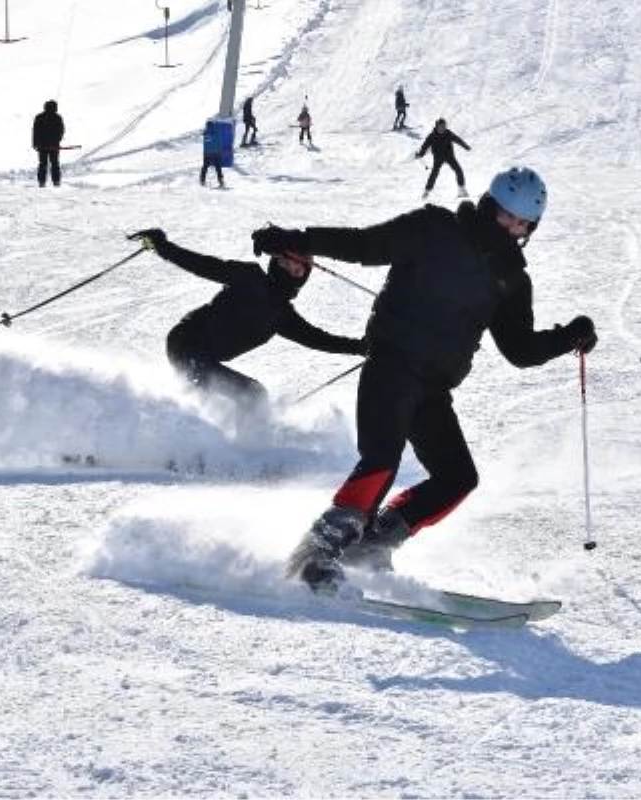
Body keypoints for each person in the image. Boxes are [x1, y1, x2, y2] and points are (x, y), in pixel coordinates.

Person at [250, 166, 598, 590]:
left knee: (457, 477)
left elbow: (520, 349)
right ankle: (316, 552)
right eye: (506, 215)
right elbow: (366, 244)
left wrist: (569, 336)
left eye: (523, 222)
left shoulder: (511, 279)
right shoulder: (436, 227)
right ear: (489, 204)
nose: (511, 227)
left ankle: (371, 544)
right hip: (391, 364)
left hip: (433, 387)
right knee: (381, 460)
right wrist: (297, 240)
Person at [125, 228, 365, 414]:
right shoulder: (249, 277)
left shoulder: (282, 314)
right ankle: (168, 443)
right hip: (186, 341)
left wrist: (362, 348)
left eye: (302, 268)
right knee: (210, 390)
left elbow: (318, 339)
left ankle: (240, 445)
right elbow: (201, 265)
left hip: (204, 357)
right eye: (290, 261)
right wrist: (162, 246)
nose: (296, 268)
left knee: (254, 395)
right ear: (277, 261)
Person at [416, 118, 470, 199]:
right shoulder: (432, 136)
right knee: (434, 174)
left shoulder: (448, 134)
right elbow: (425, 145)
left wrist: (465, 146)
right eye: (440, 127)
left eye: (443, 126)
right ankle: (426, 191)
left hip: (449, 156)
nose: (442, 128)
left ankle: (461, 190)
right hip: (438, 158)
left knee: (458, 170)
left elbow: (457, 139)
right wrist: (421, 154)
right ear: (436, 127)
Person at [32, 100, 65, 188]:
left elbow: (35, 131)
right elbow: (61, 131)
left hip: (42, 145)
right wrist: (57, 140)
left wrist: (35, 143)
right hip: (53, 145)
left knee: (43, 164)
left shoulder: (39, 117)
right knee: (54, 163)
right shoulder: (57, 117)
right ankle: (56, 181)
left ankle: (42, 182)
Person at [200, 121, 225, 188]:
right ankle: (220, 180)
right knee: (218, 167)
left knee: (205, 167)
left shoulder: (205, 133)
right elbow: (219, 142)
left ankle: (202, 180)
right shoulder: (216, 132)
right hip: (215, 153)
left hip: (207, 153)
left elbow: (206, 143)